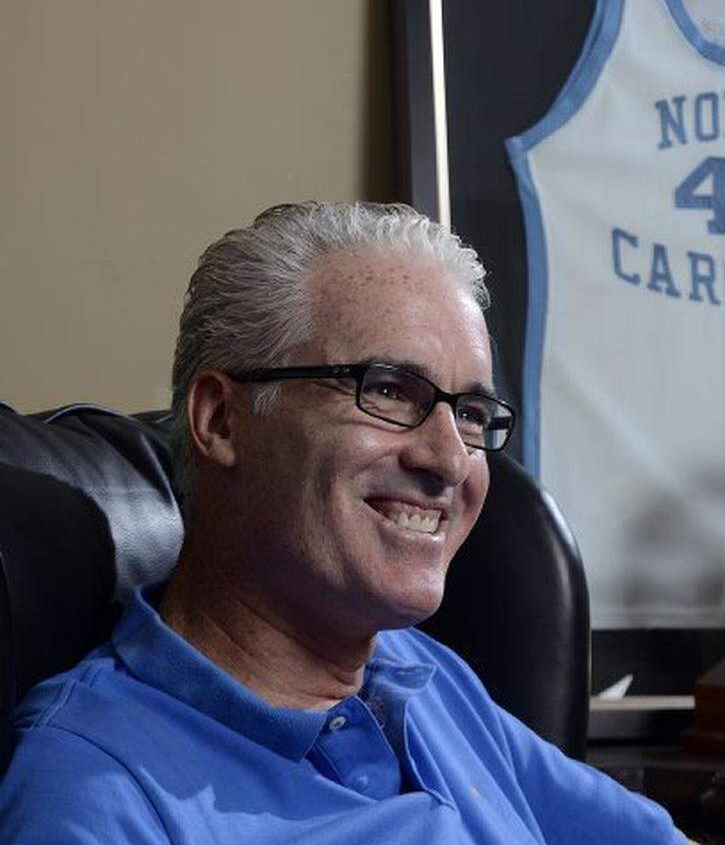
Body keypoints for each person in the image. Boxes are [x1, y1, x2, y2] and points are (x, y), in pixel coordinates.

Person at [0, 202, 687, 843]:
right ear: (220, 420)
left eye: (472, 413)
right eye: (388, 390)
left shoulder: (421, 673)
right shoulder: (99, 792)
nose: (450, 458)